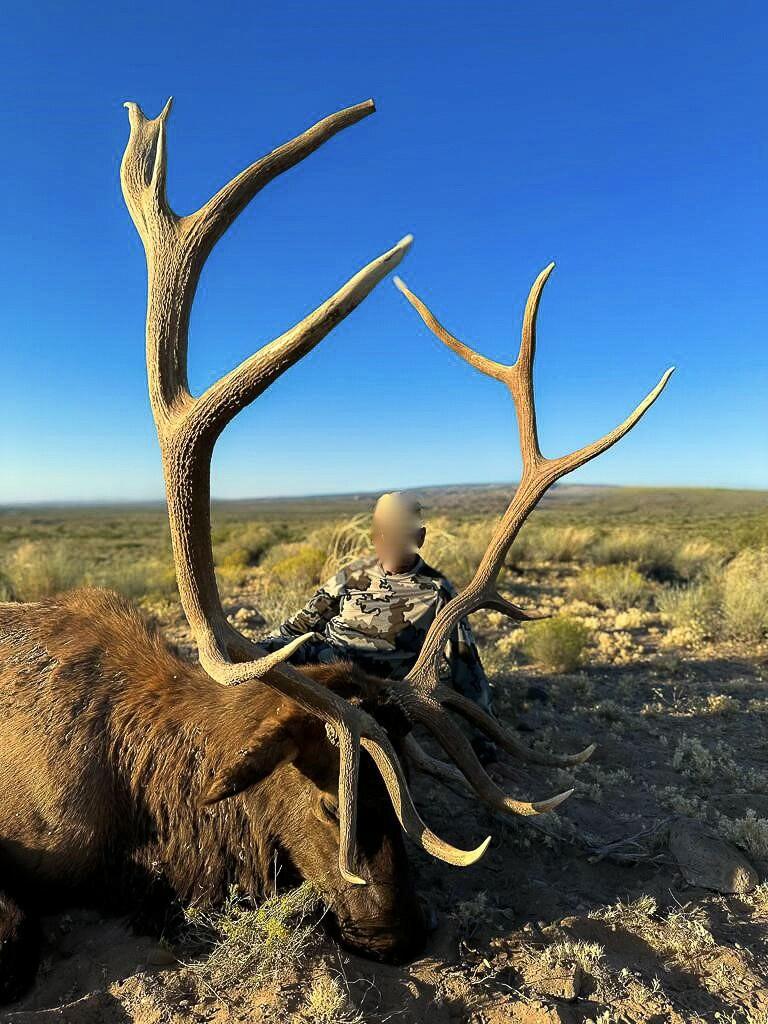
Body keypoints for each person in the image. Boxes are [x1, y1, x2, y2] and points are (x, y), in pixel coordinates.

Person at [257, 491, 498, 764]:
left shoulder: (438, 591)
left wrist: (483, 733)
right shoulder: (353, 573)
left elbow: (466, 665)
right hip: (321, 660)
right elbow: (299, 625)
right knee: (255, 658)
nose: (388, 542)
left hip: (373, 686)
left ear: (419, 538)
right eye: (383, 533)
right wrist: (261, 649)